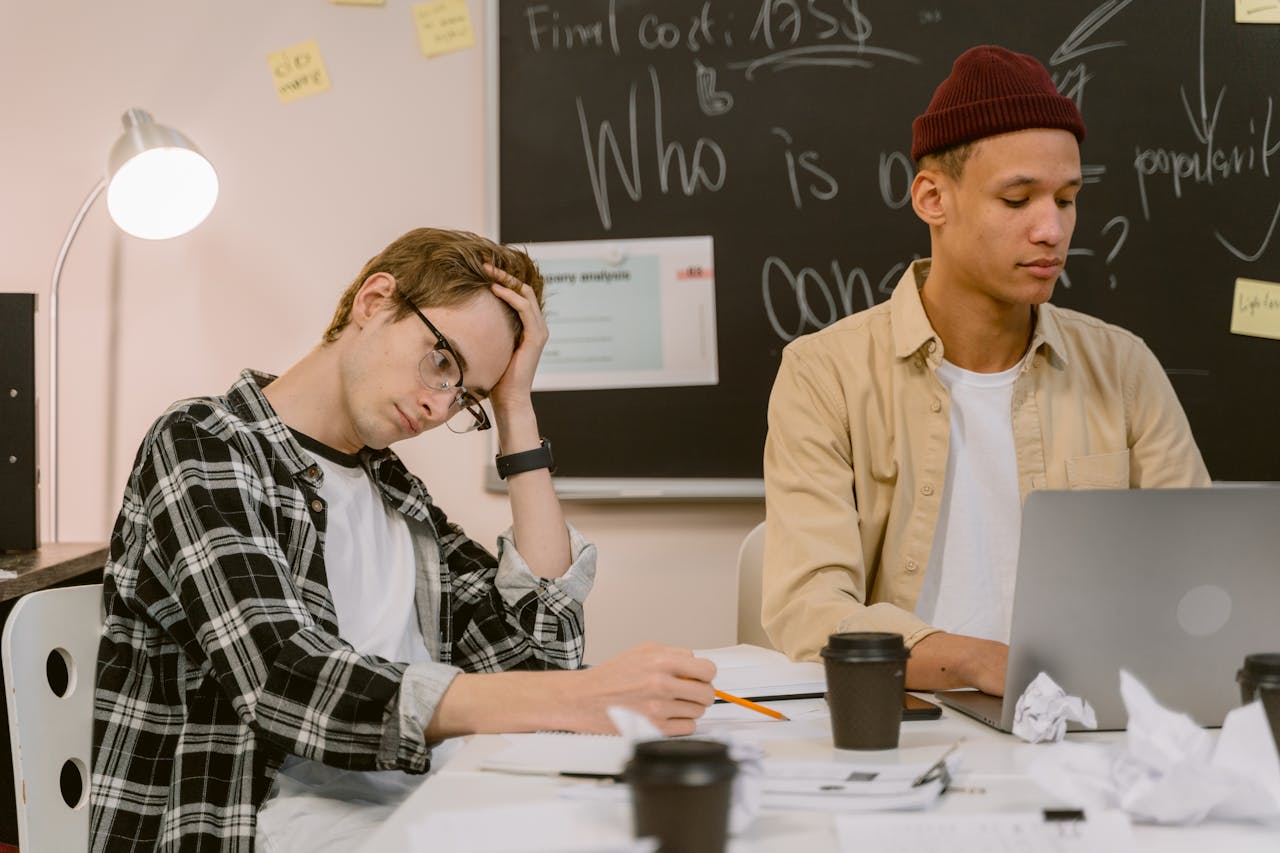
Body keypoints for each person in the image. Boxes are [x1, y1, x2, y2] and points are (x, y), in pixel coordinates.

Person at [89, 227, 716, 852]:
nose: (440, 408)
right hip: (256, 824)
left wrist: (515, 409)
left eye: (467, 397)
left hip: (416, 809)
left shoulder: (394, 490)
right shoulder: (203, 442)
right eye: (442, 362)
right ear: (374, 301)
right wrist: (578, 697)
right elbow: (286, 679)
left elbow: (534, 660)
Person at [761, 46, 1210, 696]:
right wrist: (977, 661)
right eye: (1017, 199)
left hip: (1086, 716)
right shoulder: (823, 375)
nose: (1052, 229)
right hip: (905, 717)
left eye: (1067, 199)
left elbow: (1200, 578)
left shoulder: (1123, 367)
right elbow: (810, 608)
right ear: (932, 198)